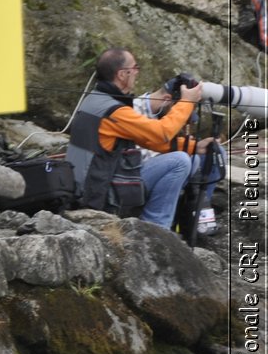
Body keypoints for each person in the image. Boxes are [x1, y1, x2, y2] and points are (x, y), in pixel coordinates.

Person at [66, 48, 211, 230]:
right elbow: (162, 133)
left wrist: (193, 147)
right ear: (122, 74)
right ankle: (157, 229)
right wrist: (187, 102)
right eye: (135, 68)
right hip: (100, 195)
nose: (137, 72)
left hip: (83, 189)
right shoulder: (115, 111)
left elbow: (150, 141)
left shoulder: (94, 100)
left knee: (188, 157)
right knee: (180, 162)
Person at [134, 83, 223, 235]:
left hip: (160, 168)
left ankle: (197, 215)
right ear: (168, 99)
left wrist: (196, 146)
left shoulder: (163, 111)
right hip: (134, 175)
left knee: (213, 153)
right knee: (181, 160)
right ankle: (156, 228)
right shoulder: (134, 109)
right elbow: (155, 142)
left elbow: (167, 145)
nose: (184, 125)